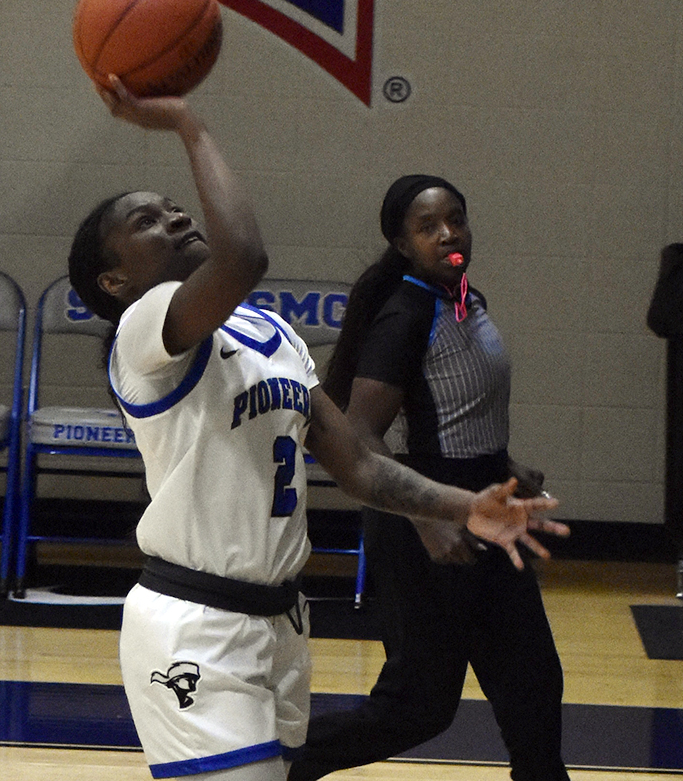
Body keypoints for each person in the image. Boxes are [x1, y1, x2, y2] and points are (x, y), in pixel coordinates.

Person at [66, 81, 564, 781]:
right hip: (194, 624)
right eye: (147, 221)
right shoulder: (140, 329)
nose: (175, 217)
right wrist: (189, 127)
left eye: (174, 206)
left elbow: (359, 464)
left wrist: (466, 508)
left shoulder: (268, 333)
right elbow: (243, 258)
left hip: (281, 623)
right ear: (113, 281)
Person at [290, 176, 569, 781]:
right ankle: (282, 762)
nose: (449, 233)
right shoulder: (405, 316)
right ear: (402, 244)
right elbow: (359, 438)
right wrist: (425, 519)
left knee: (535, 693)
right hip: (427, 529)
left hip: (489, 512)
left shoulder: (468, 299)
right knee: (418, 708)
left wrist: (506, 465)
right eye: (429, 227)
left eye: (457, 219)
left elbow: (453, 412)